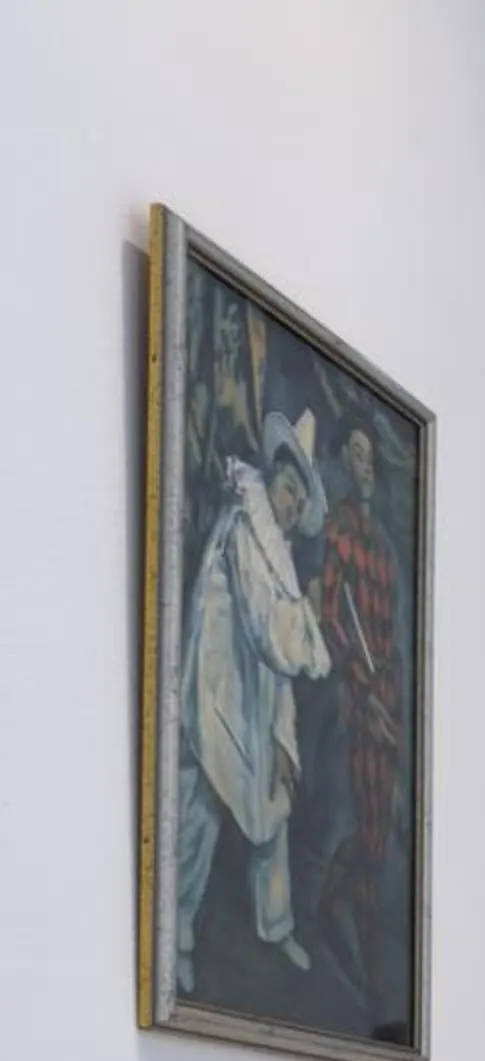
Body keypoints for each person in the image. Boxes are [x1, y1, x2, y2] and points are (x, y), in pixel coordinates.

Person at [174, 408, 332, 990]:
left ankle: (275, 924)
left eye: (298, 499)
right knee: (200, 805)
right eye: (289, 490)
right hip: (217, 691)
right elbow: (271, 631)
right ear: (273, 477)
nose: (290, 505)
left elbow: (277, 666)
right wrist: (311, 640)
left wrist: (285, 737)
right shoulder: (245, 523)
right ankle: (178, 935)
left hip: (257, 699)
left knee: (274, 807)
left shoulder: (281, 552)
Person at [316, 414, 405, 984]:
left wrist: (388, 698)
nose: (366, 464)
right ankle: (344, 922)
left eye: (371, 454)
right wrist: (365, 693)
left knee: (382, 823)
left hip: (387, 694)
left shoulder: (384, 548)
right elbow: (333, 619)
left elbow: (388, 632)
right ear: (344, 463)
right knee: (371, 824)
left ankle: (338, 911)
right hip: (360, 697)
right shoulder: (339, 534)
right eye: (356, 453)